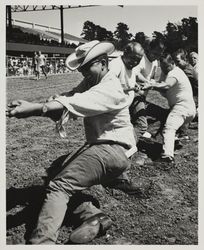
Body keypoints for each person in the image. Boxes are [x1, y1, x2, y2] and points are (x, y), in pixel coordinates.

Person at [7, 40, 137, 244]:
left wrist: (36, 108)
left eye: (87, 66)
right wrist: (49, 103)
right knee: (57, 172)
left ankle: (43, 242)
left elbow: (74, 103)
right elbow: (69, 98)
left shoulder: (109, 87)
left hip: (112, 150)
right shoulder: (92, 82)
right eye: (82, 68)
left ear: (103, 62)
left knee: (59, 185)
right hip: (104, 148)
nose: (83, 71)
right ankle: (92, 216)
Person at [142, 53, 196, 169]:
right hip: (185, 107)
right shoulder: (167, 72)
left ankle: (167, 157)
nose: (165, 69)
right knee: (165, 119)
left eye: (166, 66)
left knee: (169, 128)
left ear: (172, 63)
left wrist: (152, 85)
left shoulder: (174, 72)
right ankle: (171, 142)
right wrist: (154, 85)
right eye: (163, 66)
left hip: (182, 106)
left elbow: (167, 86)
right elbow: (164, 88)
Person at [133, 38, 165, 138]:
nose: (156, 57)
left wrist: (153, 82)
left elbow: (151, 78)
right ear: (148, 49)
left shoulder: (155, 62)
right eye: (155, 53)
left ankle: (149, 135)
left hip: (143, 97)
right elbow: (136, 74)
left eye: (159, 55)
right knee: (141, 124)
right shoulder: (141, 59)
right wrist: (147, 81)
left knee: (164, 114)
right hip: (134, 96)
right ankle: (129, 145)